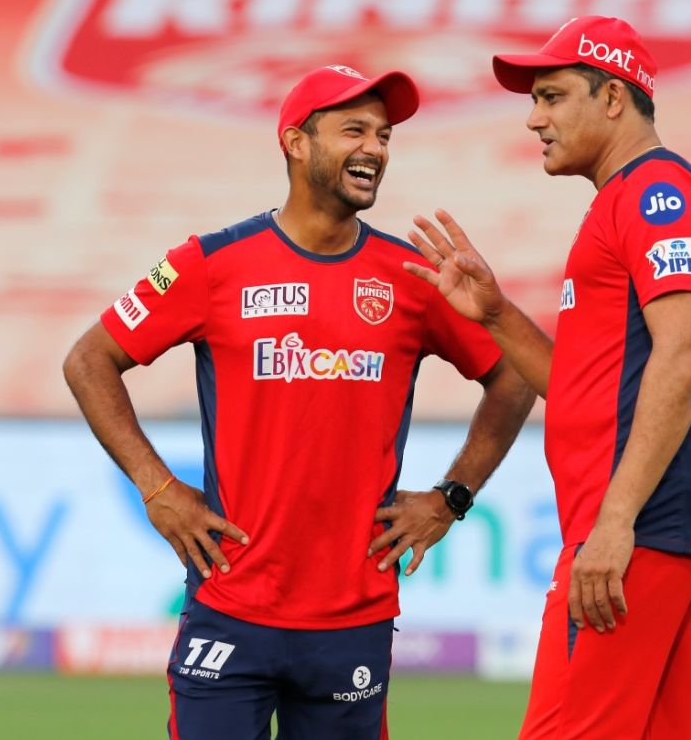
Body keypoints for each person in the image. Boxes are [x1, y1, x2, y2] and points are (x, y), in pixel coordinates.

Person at [62, 63, 533, 740]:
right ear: (295, 142)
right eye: (354, 130)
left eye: (384, 134)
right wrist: (158, 485)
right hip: (230, 607)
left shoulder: (413, 278)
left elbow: (514, 377)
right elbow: (88, 359)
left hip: (353, 619)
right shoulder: (208, 264)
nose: (375, 147)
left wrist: (452, 495)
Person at [404, 16, 691, 739]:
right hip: (667, 524)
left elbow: (686, 351)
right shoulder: (626, 202)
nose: (535, 118)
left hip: (640, 523)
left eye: (554, 95)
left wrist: (615, 520)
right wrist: (496, 314)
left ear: (615, 98)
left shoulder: (658, 193)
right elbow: (584, 387)